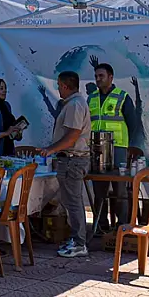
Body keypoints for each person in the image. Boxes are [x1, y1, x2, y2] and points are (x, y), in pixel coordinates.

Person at [39, 71, 92, 258]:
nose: (58, 89)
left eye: (59, 85)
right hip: (69, 159)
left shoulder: (75, 105)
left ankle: (79, 243)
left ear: (65, 86)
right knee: (70, 201)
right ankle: (76, 238)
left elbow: (72, 136)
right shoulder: (71, 104)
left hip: (73, 159)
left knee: (74, 202)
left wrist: (51, 149)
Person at [89, 62, 143, 230]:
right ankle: (101, 226)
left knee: (120, 190)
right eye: (96, 76)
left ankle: (122, 226)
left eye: (101, 76)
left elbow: (133, 124)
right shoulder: (91, 98)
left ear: (110, 77)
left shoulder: (122, 96)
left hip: (118, 149)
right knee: (99, 191)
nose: (98, 79)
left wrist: (126, 146)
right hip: (97, 150)